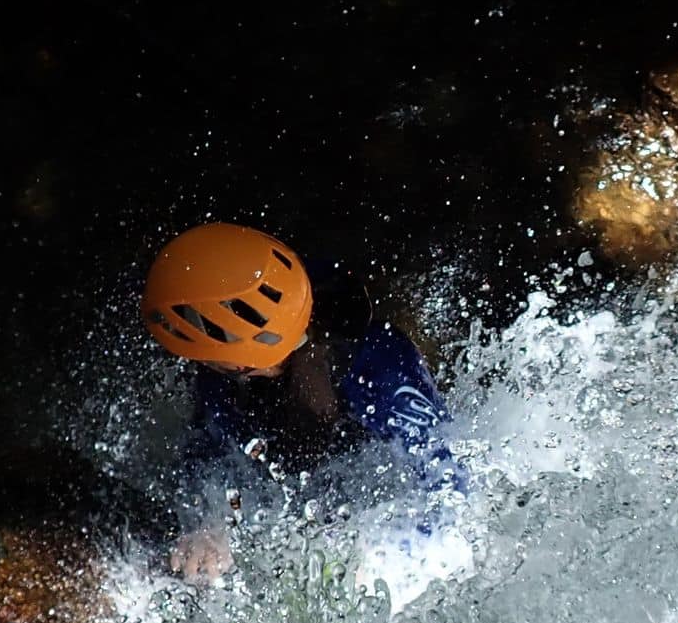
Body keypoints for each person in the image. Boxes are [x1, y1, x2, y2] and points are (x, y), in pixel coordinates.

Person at [143, 221, 462, 581]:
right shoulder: (225, 382)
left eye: (203, 353)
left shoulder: (382, 372)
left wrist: (373, 557)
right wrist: (209, 524)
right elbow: (206, 456)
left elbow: (454, 497)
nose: (197, 365)